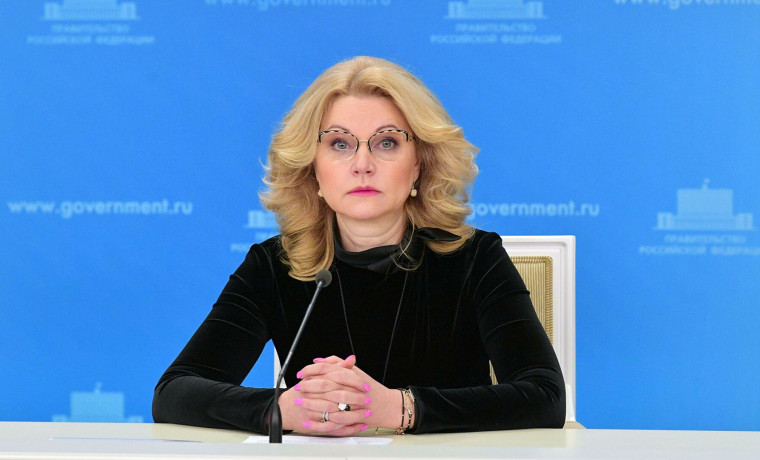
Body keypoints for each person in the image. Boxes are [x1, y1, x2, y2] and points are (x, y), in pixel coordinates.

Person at [152, 56, 565, 436]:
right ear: (312, 167)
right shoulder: (274, 265)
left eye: (386, 143)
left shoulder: (476, 259)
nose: (362, 164)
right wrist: (282, 409)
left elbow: (544, 397)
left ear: (419, 163)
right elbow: (173, 392)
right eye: (339, 143)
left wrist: (398, 408)